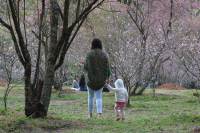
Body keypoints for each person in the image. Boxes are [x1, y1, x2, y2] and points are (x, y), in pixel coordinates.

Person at [84, 38, 111, 118]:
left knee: (90, 97)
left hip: (90, 80)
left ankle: (90, 114)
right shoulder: (104, 55)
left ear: (92, 44)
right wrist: (108, 77)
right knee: (99, 97)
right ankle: (99, 114)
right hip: (101, 80)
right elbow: (107, 68)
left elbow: (85, 67)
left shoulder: (89, 54)